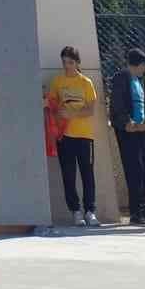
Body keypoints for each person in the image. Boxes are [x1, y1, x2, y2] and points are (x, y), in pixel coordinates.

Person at [109, 48, 145, 226]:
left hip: (140, 131)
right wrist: (127, 121)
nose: (144, 70)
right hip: (128, 132)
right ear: (140, 64)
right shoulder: (121, 78)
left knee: (144, 171)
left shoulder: (138, 80)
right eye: (144, 66)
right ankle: (135, 213)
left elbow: (141, 106)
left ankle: (143, 211)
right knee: (134, 172)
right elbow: (117, 104)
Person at [48, 45, 99, 226]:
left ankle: (90, 211)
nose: (67, 65)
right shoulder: (57, 82)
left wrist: (72, 114)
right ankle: (75, 211)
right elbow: (52, 104)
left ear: (77, 63)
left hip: (85, 135)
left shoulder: (86, 83)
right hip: (65, 136)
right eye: (64, 62)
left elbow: (90, 109)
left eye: (70, 62)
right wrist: (56, 113)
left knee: (88, 174)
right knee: (68, 175)